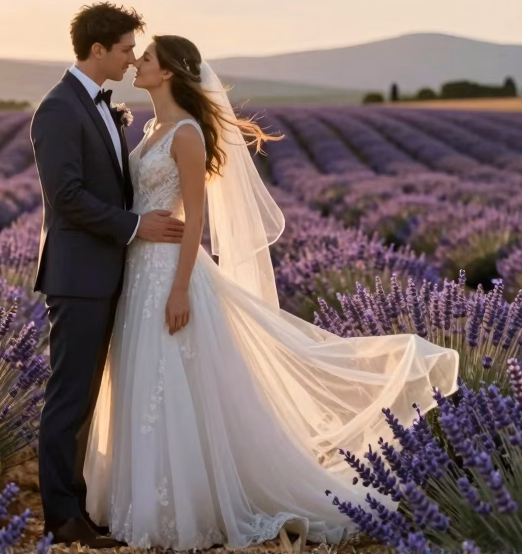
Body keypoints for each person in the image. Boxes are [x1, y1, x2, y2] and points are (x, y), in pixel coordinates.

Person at [82, 34, 461, 550]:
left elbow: (195, 220)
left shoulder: (186, 135)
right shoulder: (152, 130)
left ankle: (186, 508)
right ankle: (147, 499)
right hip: (139, 271)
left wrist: (179, 290)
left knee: (172, 379)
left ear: (168, 72)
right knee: (145, 379)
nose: (136, 64)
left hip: (170, 272)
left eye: (145, 58)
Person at [29, 3, 187, 548]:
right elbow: (66, 198)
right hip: (78, 278)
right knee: (70, 399)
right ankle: (61, 518)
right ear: (98, 50)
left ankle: (78, 506)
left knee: (89, 398)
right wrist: (136, 225)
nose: (130, 59)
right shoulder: (58, 109)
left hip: (112, 274)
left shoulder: (99, 105)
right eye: (124, 50)